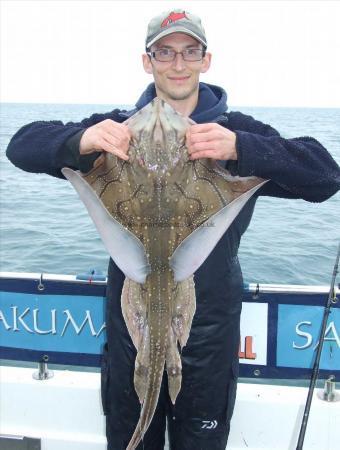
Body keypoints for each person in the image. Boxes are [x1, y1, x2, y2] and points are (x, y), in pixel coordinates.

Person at [6, 8, 340, 450]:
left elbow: (325, 177)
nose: (178, 64)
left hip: (211, 320)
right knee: (130, 435)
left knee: (201, 437)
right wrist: (82, 141)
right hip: (131, 312)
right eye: (165, 53)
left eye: (189, 52)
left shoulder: (236, 132)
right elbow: (22, 146)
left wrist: (242, 149)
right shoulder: (117, 128)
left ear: (206, 59)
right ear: (148, 61)